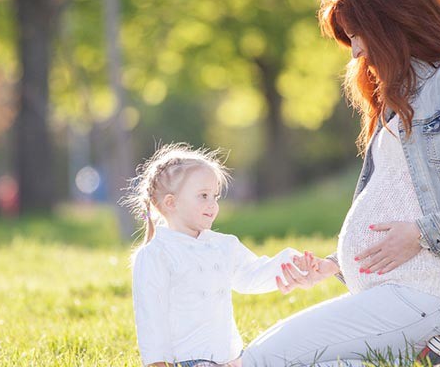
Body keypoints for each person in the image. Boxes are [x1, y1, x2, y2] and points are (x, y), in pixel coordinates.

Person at [237, 0, 440, 365]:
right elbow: (401, 199)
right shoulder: (397, 99)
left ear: (391, 21)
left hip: (434, 298)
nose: (357, 51)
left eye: (358, 34)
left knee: (261, 358)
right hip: (395, 297)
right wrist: (334, 265)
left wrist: (422, 234)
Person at [125, 143, 308, 367]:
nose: (213, 204)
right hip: (186, 360)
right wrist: (157, 363)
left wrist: (292, 264)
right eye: (203, 196)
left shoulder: (224, 245)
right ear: (171, 202)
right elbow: (151, 318)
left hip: (231, 357)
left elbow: (252, 275)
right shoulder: (156, 254)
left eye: (215, 196)